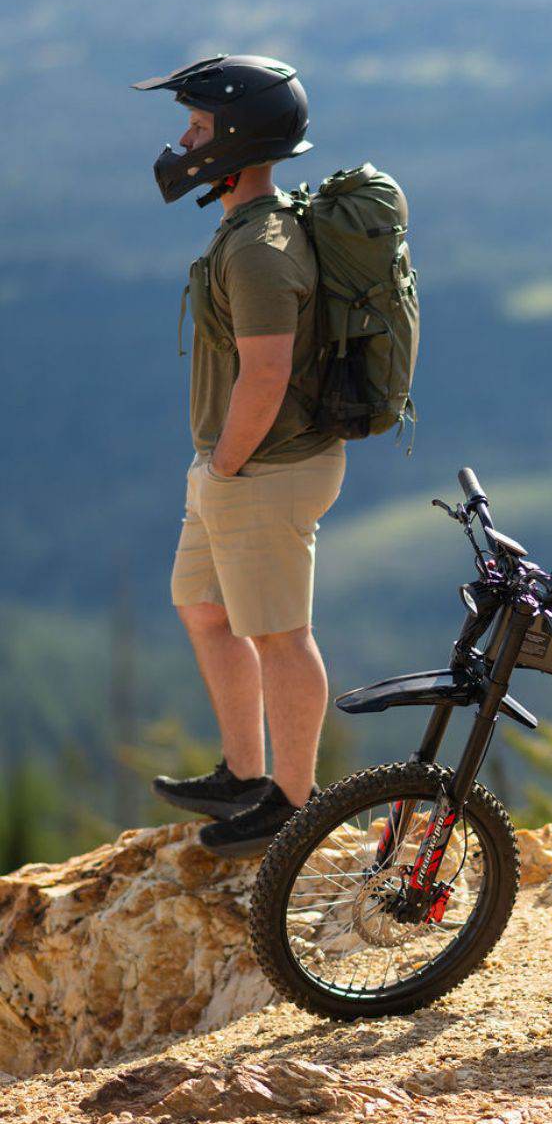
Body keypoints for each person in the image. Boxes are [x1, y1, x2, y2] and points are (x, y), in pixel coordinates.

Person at [132, 55, 344, 857]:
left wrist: (224, 466)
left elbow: (267, 371)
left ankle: (292, 803)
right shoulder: (248, 228)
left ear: (238, 139)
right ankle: (245, 775)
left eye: (197, 128)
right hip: (234, 466)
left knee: (281, 634)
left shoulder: (260, 249)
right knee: (204, 607)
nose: (184, 144)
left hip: (264, 469)